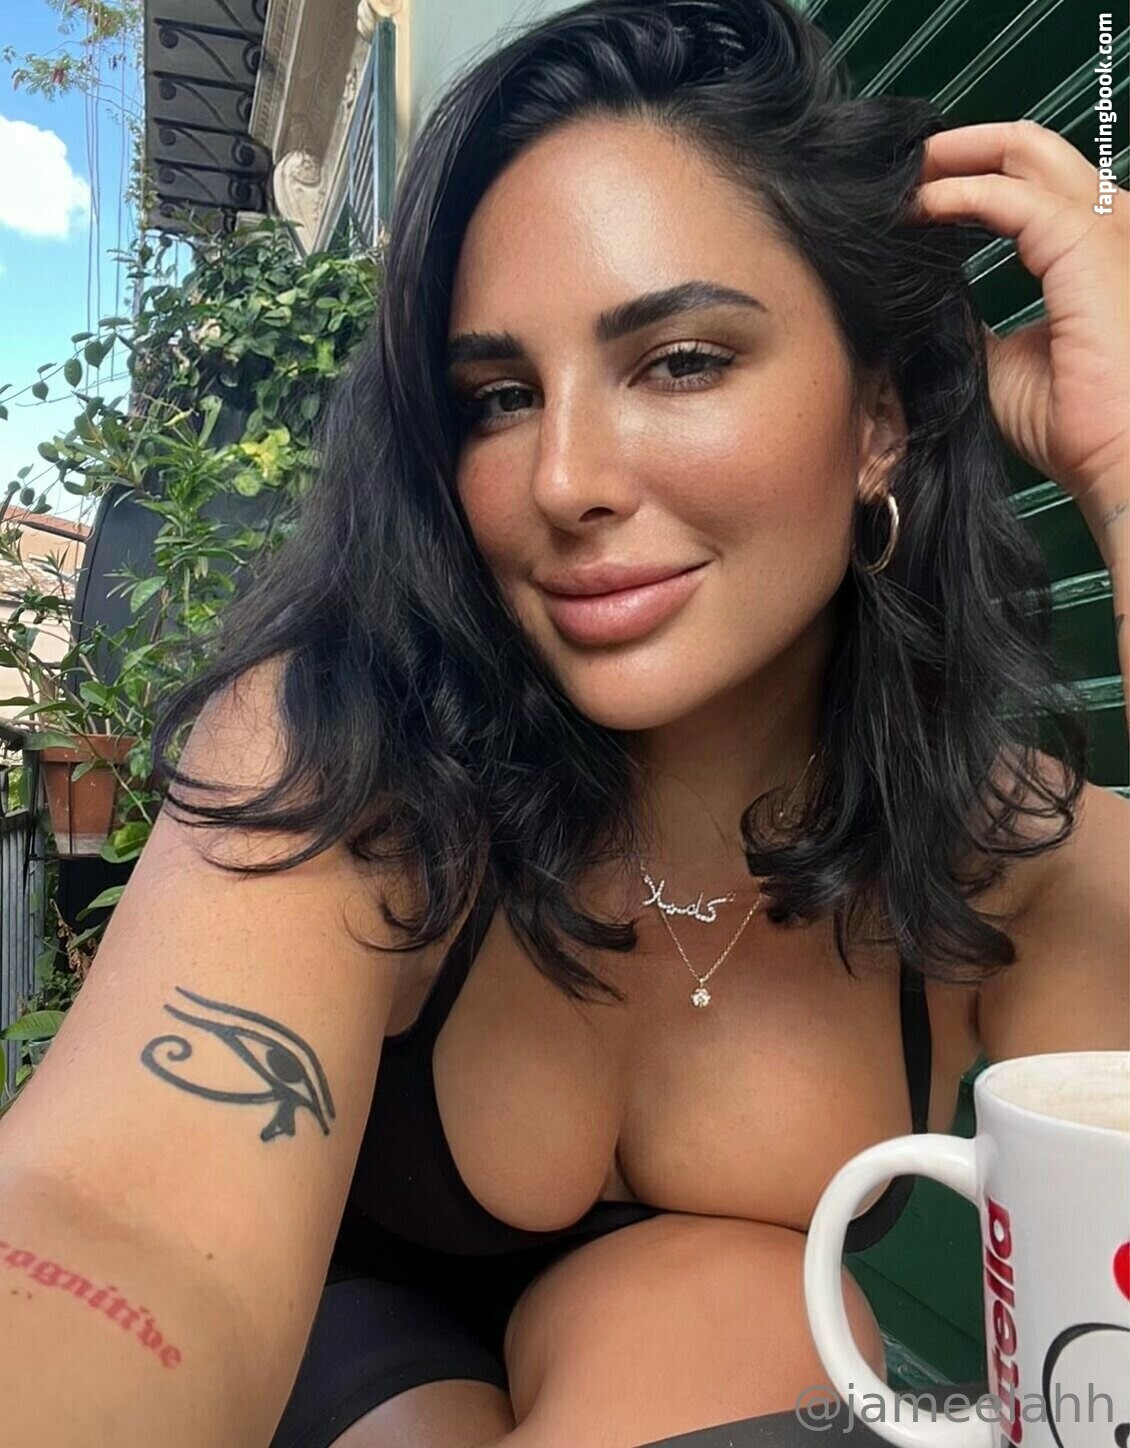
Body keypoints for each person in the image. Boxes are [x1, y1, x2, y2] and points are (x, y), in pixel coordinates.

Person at [2, 1, 1127, 1445]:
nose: (563, 479)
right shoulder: (345, 751)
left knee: (744, 1304)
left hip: (683, 1346)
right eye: (497, 397)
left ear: (878, 422)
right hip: (322, 1352)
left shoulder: (1010, 849)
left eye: (681, 360)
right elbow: (116, 1225)